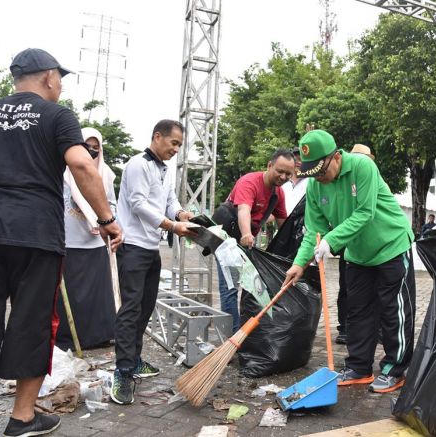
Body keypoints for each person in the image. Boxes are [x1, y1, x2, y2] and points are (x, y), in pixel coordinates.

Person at [0, 48, 123, 437]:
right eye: (60, 79)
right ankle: (22, 419)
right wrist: (108, 220)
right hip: (35, 233)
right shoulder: (57, 115)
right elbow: (83, 165)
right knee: (32, 322)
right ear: (49, 77)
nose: (61, 86)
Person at [283, 129, 416, 394]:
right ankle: (359, 367)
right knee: (358, 312)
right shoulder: (315, 186)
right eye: (314, 175)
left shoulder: (362, 167)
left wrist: (331, 241)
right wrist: (299, 263)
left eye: (322, 172)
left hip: (390, 245)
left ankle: (395, 369)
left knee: (393, 311)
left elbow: (365, 212)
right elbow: (314, 231)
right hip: (357, 254)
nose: (320, 179)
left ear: (336, 157)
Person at [112, 119, 195, 405]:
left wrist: (182, 214)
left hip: (151, 248)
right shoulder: (137, 164)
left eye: (179, 145)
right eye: (173, 143)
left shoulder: (164, 169)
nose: (176, 150)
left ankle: (134, 360)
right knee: (131, 308)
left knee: (145, 308)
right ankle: (122, 371)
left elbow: (168, 200)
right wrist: (172, 226)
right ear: (157, 136)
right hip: (132, 246)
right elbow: (137, 203)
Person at [215, 149, 293, 332]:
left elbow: (284, 223)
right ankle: (232, 337)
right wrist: (246, 234)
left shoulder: (278, 194)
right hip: (227, 240)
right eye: (280, 171)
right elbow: (243, 210)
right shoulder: (249, 182)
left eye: (288, 174)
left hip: (247, 242)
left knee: (253, 286)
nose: (283, 177)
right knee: (230, 288)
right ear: (269, 165)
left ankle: (248, 331)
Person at [56, 127, 118, 350]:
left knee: (95, 294)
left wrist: (106, 220)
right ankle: (66, 338)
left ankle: (96, 337)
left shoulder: (106, 174)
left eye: (96, 147)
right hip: (67, 240)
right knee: (69, 294)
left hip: (94, 241)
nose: (91, 151)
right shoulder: (63, 172)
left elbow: (110, 204)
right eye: (86, 146)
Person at [334, 143, 377, 345]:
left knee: (376, 293)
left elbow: (366, 213)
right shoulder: (342, 181)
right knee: (347, 288)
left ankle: (377, 330)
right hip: (348, 244)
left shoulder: (370, 177)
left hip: (376, 247)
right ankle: (345, 327)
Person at [282, 147, 308, 215]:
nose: (298, 162)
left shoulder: (311, 182)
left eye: (302, 160)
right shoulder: (283, 185)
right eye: (295, 160)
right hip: (285, 224)